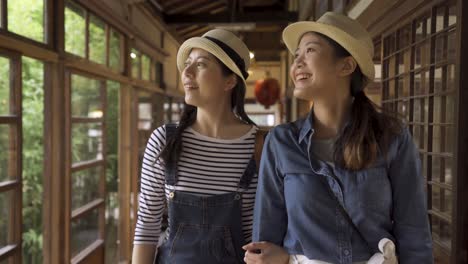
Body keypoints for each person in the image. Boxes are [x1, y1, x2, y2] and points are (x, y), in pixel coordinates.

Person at [243, 12, 433, 264]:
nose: (297, 63)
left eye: (309, 50)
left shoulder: (391, 137)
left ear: (346, 65)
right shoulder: (281, 142)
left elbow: (414, 233)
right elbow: (263, 244)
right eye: (296, 54)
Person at [132, 29, 265, 264]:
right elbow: (147, 224)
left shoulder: (259, 146)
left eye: (201, 64)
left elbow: (257, 234)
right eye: (187, 64)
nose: (187, 72)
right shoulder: (165, 139)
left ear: (230, 80)